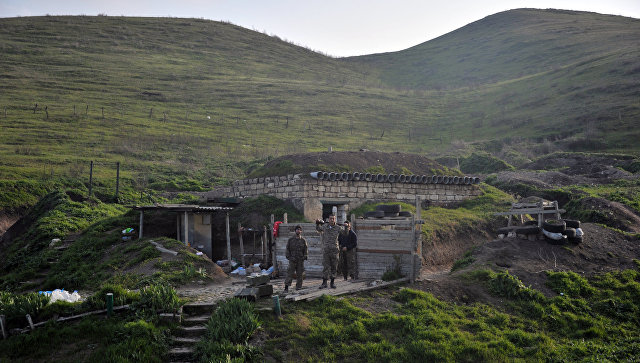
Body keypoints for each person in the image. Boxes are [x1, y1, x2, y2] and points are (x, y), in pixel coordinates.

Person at [315, 215, 347, 289]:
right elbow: (319, 229)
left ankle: (332, 283)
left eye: (333, 219)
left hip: (334, 250)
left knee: (334, 267)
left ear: (335, 220)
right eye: (330, 218)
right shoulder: (325, 226)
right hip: (326, 250)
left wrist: (346, 226)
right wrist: (317, 223)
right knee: (326, 266)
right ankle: (324, 283)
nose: (332, 220)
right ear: (328, 219)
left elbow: (345, 233)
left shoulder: (338, 227)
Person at [284, 225, 308, 292]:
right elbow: (287, 249)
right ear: (295, 231)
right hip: (292, 260)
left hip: (300, 260)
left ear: (301, 231)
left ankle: (298, 287)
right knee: (289, 273)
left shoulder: (303, 240)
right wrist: (289, 257)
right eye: (297, 229)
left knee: (300, 274)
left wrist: (304, 256)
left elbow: (306, 250)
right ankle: (286, 287)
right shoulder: (290, 240)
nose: (298, 230)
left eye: (300, 229)